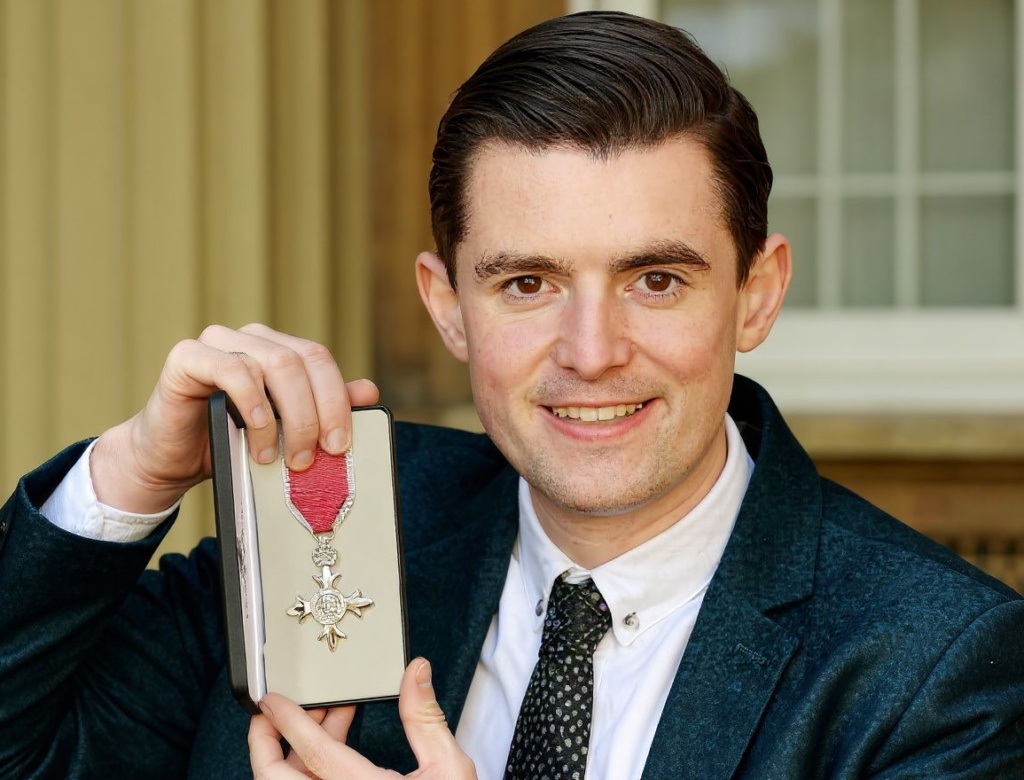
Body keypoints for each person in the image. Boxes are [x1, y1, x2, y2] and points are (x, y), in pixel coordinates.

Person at [2, 10, 1023, 780]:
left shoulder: (940, 669)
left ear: (756, 294)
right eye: (527, 284)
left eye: (654, 280)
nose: (591, 352)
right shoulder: (333, 524)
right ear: (448, 307)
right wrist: (131, 476)